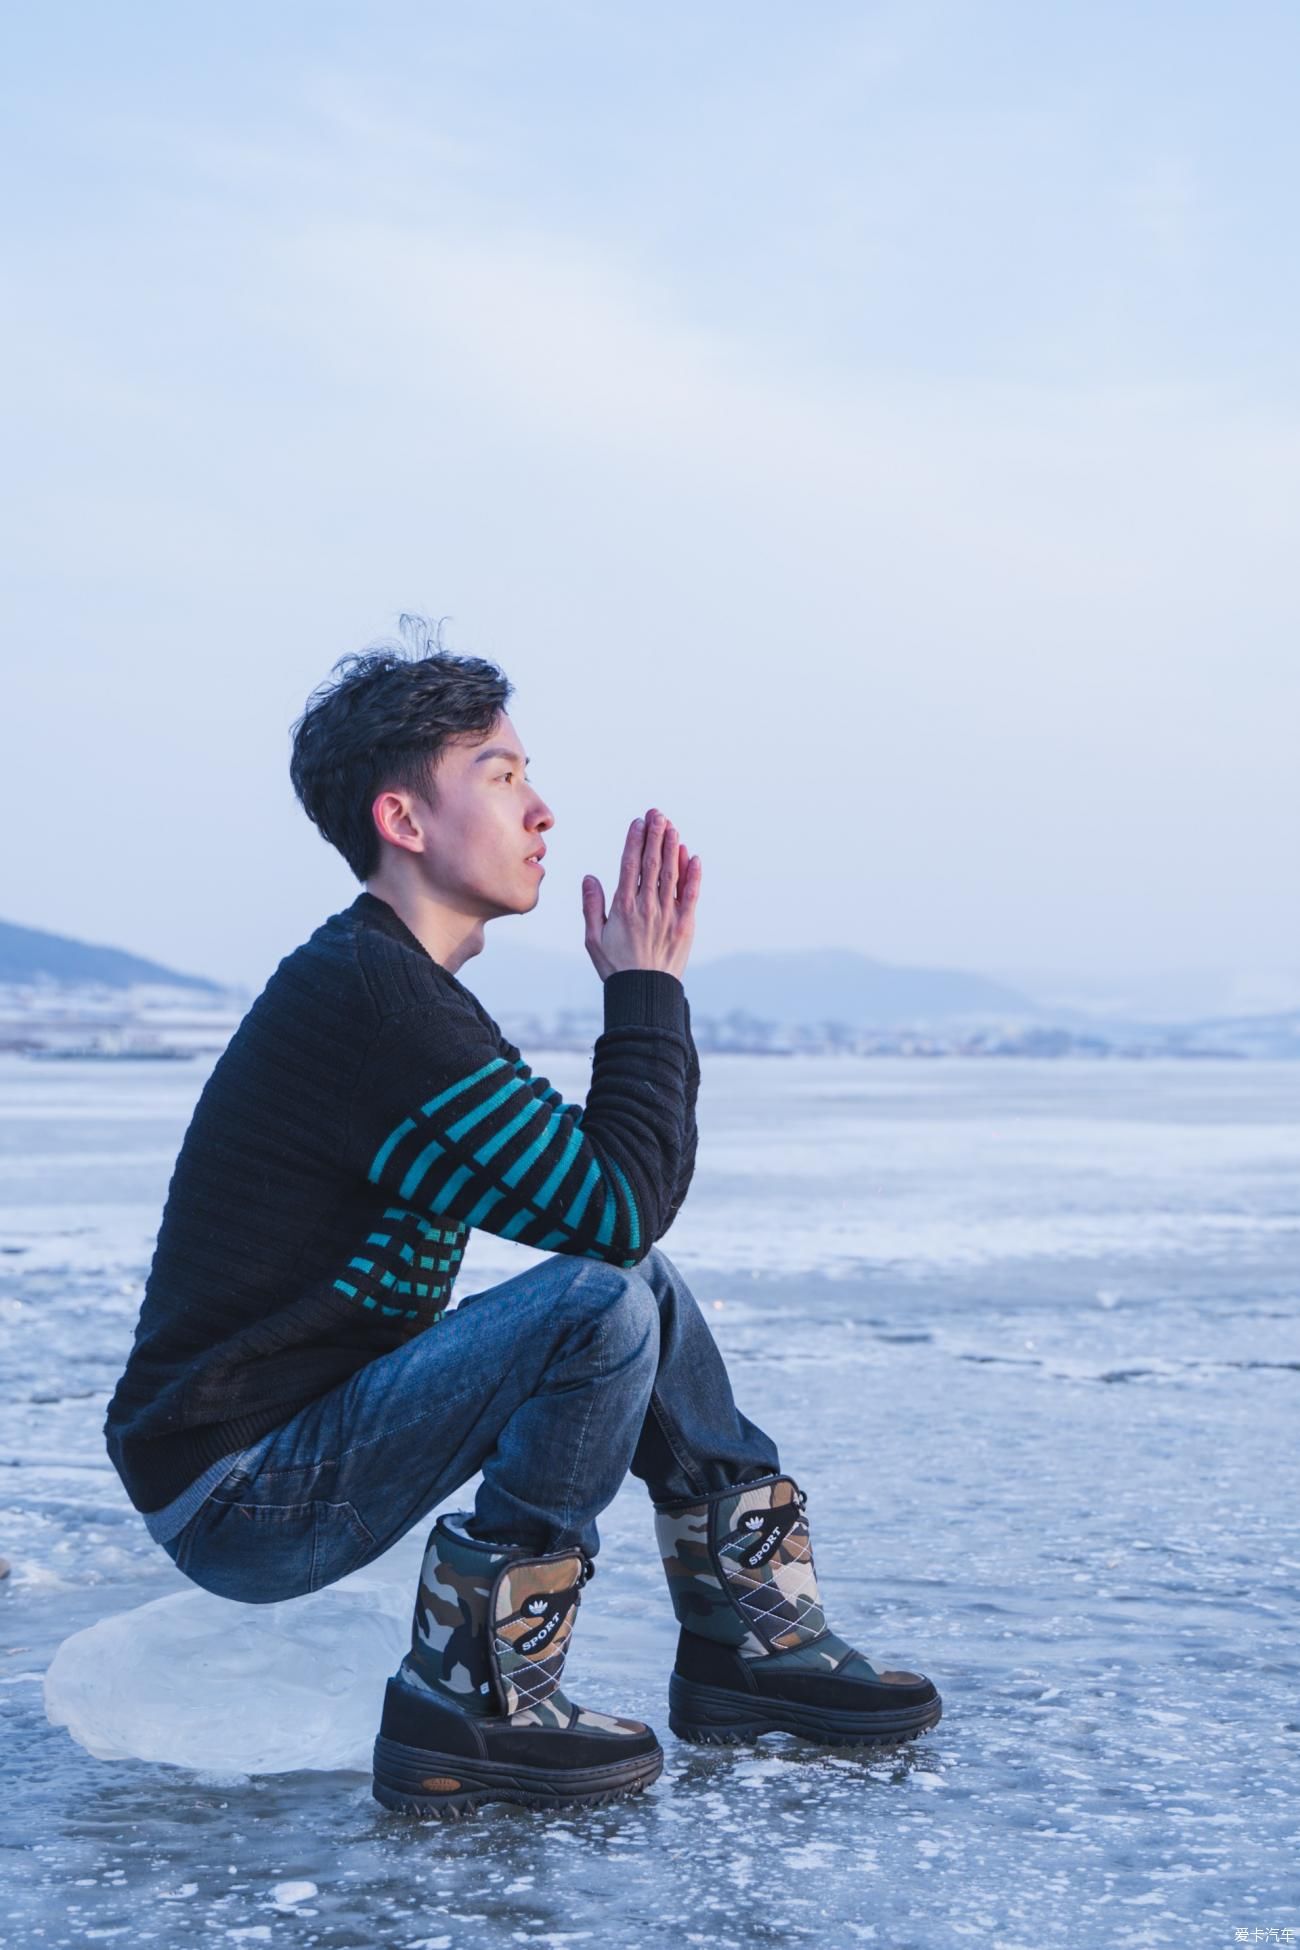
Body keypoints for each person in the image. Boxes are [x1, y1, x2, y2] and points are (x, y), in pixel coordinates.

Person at [103, 617, 941, 1818]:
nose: (542, 810)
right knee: (599, 1297)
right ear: (403, 822)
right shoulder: (373, 1004)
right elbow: (614, 1205)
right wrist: (646, 989)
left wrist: (643, 994)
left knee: (627, 1284)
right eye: (502, 777)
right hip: (242, 1492)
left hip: (287, 1453)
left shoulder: (391, 989)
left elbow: (612, 1212)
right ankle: (475, 1699)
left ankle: (753, 1649)